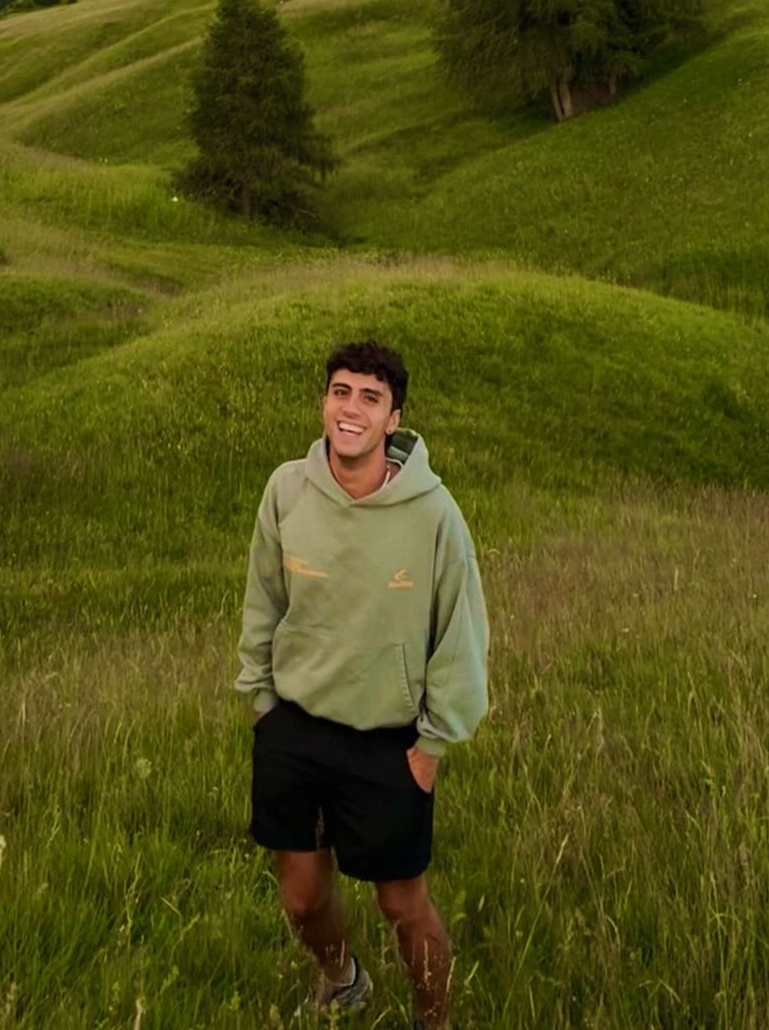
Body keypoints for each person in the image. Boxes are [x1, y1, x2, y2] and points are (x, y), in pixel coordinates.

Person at [237, 341, 489, 1030]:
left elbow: (460, 633)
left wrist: (433, 745)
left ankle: (433, 1022)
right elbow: (264, 598)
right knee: (301, 900)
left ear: (393, 419)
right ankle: (343, 980)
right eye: (341, 392)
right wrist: (261, 700)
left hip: (388, 739)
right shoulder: (287, 490)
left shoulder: (434, 514)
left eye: (370, 398)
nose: (352, 409)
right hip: (294, 724)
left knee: (402, 904)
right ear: (324, 403)